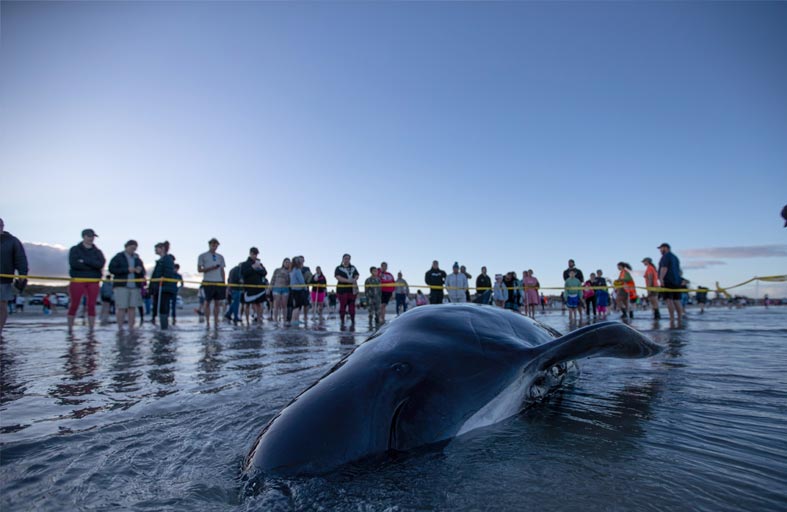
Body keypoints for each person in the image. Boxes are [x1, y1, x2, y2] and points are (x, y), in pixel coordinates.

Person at [67, 229, 106, 333]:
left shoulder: (97, 252)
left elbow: (100, 264)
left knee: (91, 305)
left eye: (93, 236)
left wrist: (84, 261)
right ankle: (70, 328)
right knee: (74, 303)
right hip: (78, 279)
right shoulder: (75, 249)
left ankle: (91, 329)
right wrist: (92, 265)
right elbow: (74, 264)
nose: (91, 238)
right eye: (89, 236)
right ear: (83, 236)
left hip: (93, 280)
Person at [108, 239, 145, 331]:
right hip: (121, 286)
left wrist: (140, 271)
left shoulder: (138, 259)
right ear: (126, 247)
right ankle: (120, 328)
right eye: (132, 248)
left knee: (132, 307)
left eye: (135, 249)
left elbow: (143, 272)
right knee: (121, 307)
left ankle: (131, 327)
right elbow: (111, 269)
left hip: (134, 286)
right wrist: (127, 270)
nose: (133, 250)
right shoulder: (118, 257)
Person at [0, 218, 29, 335]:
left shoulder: (12, 241)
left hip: (3, 279)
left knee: (1, 306)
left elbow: (20, 259)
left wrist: (22, 275)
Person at [197, 238, 226, 329]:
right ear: (209, 244)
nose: (214, 246)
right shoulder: (202, 256)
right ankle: (208, 322)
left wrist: (223, 282)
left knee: (217, 303)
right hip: (208, 281)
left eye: (216, 244)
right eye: (213, 244)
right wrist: (211, 268)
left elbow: (222, 270)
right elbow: (199, 270)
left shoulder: (220, 257)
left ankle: (216, 322)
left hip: (219, 282)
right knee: (207, 302)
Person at [150, 241, 178, 330]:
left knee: (163, 307)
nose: (155, 250)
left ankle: (164, 327)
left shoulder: (167, 259)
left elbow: (168, 273)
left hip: (165, 288)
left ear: (162, 249)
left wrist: (161, 280)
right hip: (160, 287)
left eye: (156, 248)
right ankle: (163, 326)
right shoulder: (161, 260)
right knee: (160, 307)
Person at [240, 247, 267, 325]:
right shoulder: (244, 264)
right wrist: (252, 267)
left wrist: (259, 268)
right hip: (249, 287)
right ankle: (247, 321)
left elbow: (265, 273)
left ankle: (259, 320)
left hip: (258, 287)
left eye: (256, 254)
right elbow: (243, 274)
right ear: (250, 253)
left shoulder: (260, 264)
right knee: (247, 304)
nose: (255, 255)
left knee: (259, 304)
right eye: (254, 254)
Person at [657, 243, 683, 323]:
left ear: (666, 248)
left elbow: (664, 268)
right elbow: (680, 271)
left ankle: (672, 319)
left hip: (668, 281)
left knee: (669, 300)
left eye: (661, 248)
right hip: (677, 281)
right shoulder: (675, 257)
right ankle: (679, 318)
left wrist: (661, 279)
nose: (660, 250)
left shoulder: (665, 256)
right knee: (677, 300)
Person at [335, 254, 359, 329]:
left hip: (352, 290)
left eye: (348, 259)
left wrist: (354, 279)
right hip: (342, 290)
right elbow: (337, 277)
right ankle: (342, 321)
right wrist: (348, 281)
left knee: (352, 306)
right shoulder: (338, 268)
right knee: (343, 306)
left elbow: (357, 275)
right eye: (345, 258)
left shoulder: (353, 267)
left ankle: (353, 321)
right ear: (342, 259)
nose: (347, 260)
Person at [268, 258, 291, 325]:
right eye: (286, 262)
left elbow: (290, 282)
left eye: (288, 262)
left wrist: (288, 274)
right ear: (283, 262)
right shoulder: (277, 270)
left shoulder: (289, 272)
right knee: (276, 305)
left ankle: (284, 320)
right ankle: (275, 320)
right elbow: (273, 279)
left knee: (284, 305)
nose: (287, 263)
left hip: (285, 288)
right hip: (276, 288)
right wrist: (270, 287)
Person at [289, 256, 308, 326]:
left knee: (296, 306)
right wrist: (305, 288)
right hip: (298, 290)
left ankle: (295, 319)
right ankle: (294, 320)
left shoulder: (292, 270)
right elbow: (301, 281)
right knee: (297, 306)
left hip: (293, 290)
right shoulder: (297, 270)